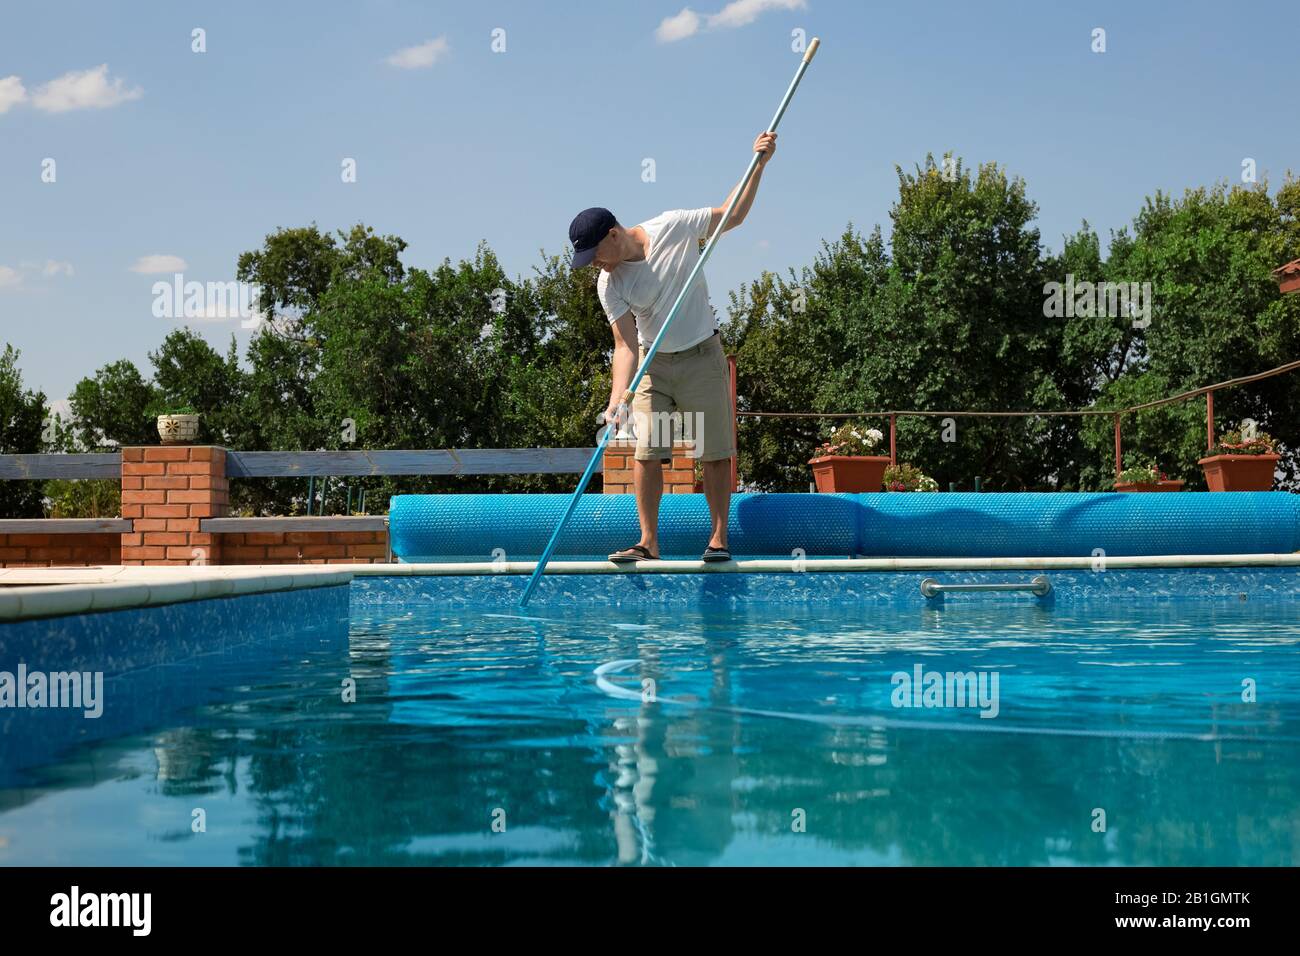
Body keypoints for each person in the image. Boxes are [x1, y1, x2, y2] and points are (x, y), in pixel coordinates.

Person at [567, 132, 777, 563]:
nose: (595, 265)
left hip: (702, 356)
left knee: (713, 452)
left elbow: (732, 215)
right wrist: (616, 399)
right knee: (647, 453)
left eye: (595, 255)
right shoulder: (609, 284)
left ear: (613, 234)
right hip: (654, 367)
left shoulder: (672, 227)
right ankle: (648, 543)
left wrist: (759, 164)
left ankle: (718, 540)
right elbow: (625, 345)